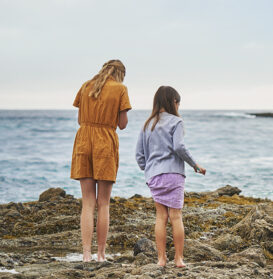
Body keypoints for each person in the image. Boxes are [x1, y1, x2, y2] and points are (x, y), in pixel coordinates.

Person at [135, 86, 206, 268]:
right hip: (174, 174)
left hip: (154, 176)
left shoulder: (147, 124)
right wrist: (195, 165)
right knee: (176, 216)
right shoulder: (176, 122)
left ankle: (161, 259)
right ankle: (179, 259)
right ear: (174, 102)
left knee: (161, 217)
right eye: (178, 103)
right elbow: (179, 147)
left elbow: (139, 155)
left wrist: (149, 169)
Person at [71, 59, 131, 263]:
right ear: (120, 73)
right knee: (103, 203)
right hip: (105, 141)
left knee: (87, 202)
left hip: (84, 140)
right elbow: (122, 124)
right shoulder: (120, 89)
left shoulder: (86, 85)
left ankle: (86, 254)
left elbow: (80, 120)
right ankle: (101, 254)